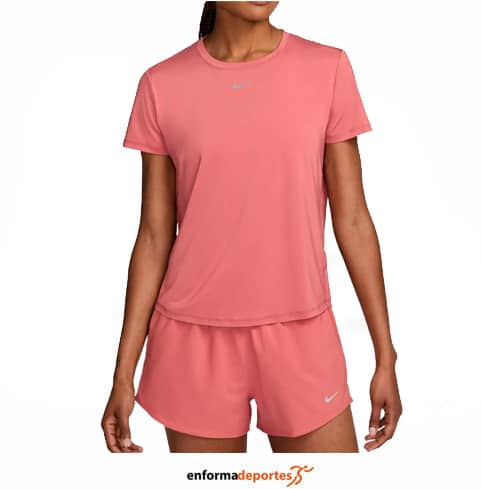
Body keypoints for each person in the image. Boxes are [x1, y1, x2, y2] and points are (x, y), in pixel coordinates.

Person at [101, 1, 402, 453]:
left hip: (302, 335)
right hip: (191, 341)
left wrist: (385, 354)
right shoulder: (161, 85)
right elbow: (154, 237)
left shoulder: (327, 69)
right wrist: (123, 373)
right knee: (215, 487)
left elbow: (354, 219)